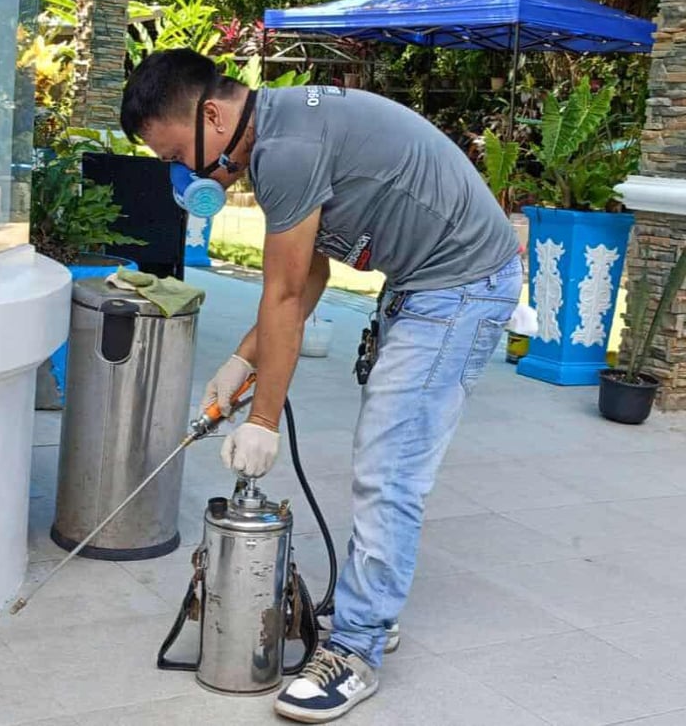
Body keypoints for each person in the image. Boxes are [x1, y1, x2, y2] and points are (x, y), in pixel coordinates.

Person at [121, 48, 522, 723]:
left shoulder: (285, 149)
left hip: (459, 286)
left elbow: (281, 295)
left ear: (212, 115)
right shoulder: (276, 130)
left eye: (176, 156)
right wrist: (242, 365)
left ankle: (358, 650)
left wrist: (264, 421)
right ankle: (373, 610)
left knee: (389, 468)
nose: (185, 173)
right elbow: (312, 276)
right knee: (386, 460)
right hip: (425, 282)